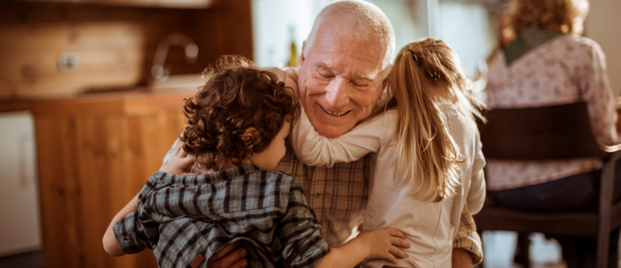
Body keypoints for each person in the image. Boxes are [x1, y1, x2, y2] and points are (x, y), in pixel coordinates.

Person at [163, 1, 484, 267]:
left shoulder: (397, 121)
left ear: (384, 84)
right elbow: (166, 208)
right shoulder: (250, 102)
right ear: (302, 58)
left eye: (360, 82)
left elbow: (456, 217)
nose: (335, 98)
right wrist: (203, 261)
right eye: (324, 72)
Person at [102, 56, 410, 268]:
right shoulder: (279, 192)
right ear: (251, 138)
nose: (285, 149)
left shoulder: (170, 187)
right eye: (283, 138)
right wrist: (367, 245)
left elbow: (111, 242)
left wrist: (160, 178)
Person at [289, 38, 487, 267]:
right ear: (457, 79)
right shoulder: (469, 128)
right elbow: (474, 202)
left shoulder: (392, 121)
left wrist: (292, 91)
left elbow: (313, 151)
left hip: (385, 260)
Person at [484, 0, 621, 267]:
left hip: (503, 190)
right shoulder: (582, 51)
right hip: (563, 190)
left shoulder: (501, 60)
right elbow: (603, 132)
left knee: (593, 181)